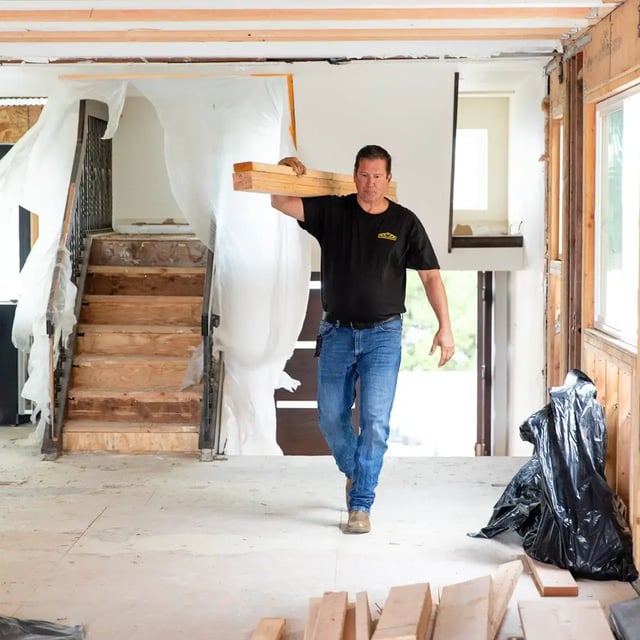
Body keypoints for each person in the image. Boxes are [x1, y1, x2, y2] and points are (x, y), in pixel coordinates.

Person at [271, 145, 455, 534]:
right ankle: (358, 473)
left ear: (389, 179)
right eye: (364, 175)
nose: (370, 183)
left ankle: (361, 504)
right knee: (329, 418)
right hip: (336, 332)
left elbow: (431, 276)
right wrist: (284, 171)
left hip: (383, 336)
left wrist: (446, 326)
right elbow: (281, 202)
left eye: (378, 176)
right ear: (354, 175)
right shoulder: (332, 212)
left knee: (374, 422)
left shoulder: (405, 222)